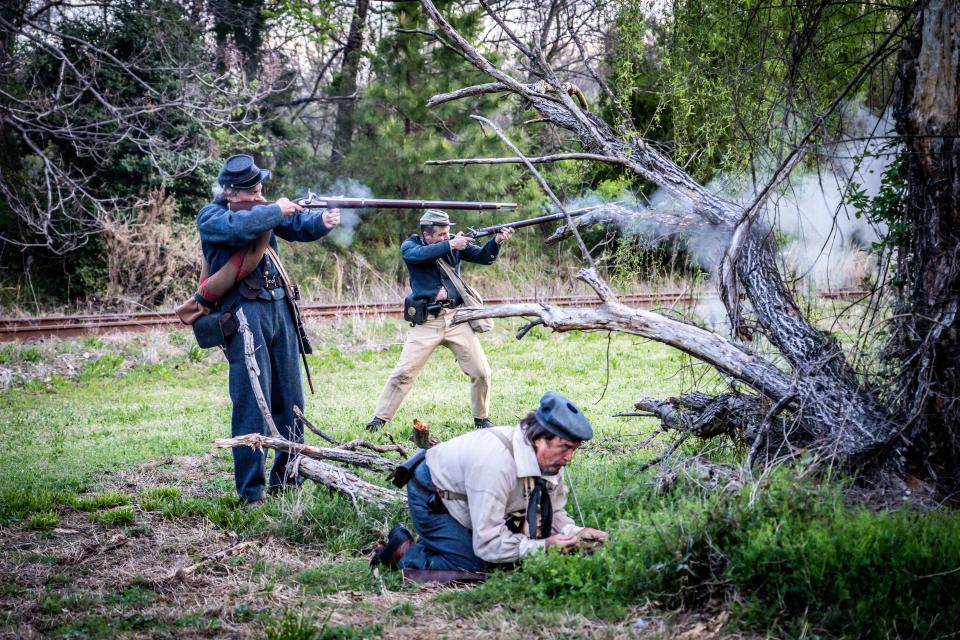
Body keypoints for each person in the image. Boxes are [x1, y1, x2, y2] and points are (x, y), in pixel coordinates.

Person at [197, 154, 340, 506]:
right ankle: (252, 491)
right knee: (251, 403)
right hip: (244, 312)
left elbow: (297, 227)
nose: (261, 192)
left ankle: (288, 478)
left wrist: (322, 221)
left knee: (291, 400)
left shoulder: (263, 210)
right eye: (255, 189)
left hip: (280, 309)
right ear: (233, 193)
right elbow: (240, 229)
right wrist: (276, 209)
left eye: (260, 188)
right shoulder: (213, 216)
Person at [371, 391, 609, 575]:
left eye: (573, 449)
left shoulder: (550, 460)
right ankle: (401, 552)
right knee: (476, 565)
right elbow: (488, 544)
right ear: (539, 439)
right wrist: (544, 547)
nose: (569, 458)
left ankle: (447, 541)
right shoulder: (495, 464)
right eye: (565, 448)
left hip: (468, 496)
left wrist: (575, 534)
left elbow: (552, 511)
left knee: (511, 555)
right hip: (432, 494)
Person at [365, 209, 513, 431]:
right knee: (403, 373)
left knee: (481, 372)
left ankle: (481, 419)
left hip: (456, 318)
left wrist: (497, 241)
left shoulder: (454, 243)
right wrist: (451, 245)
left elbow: (484, 258)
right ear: (427, 234)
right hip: (427, 321)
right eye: (442, 234)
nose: (447, 236)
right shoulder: (410, 246)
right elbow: (419, 256)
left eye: (448, 233)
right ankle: (379, 420)